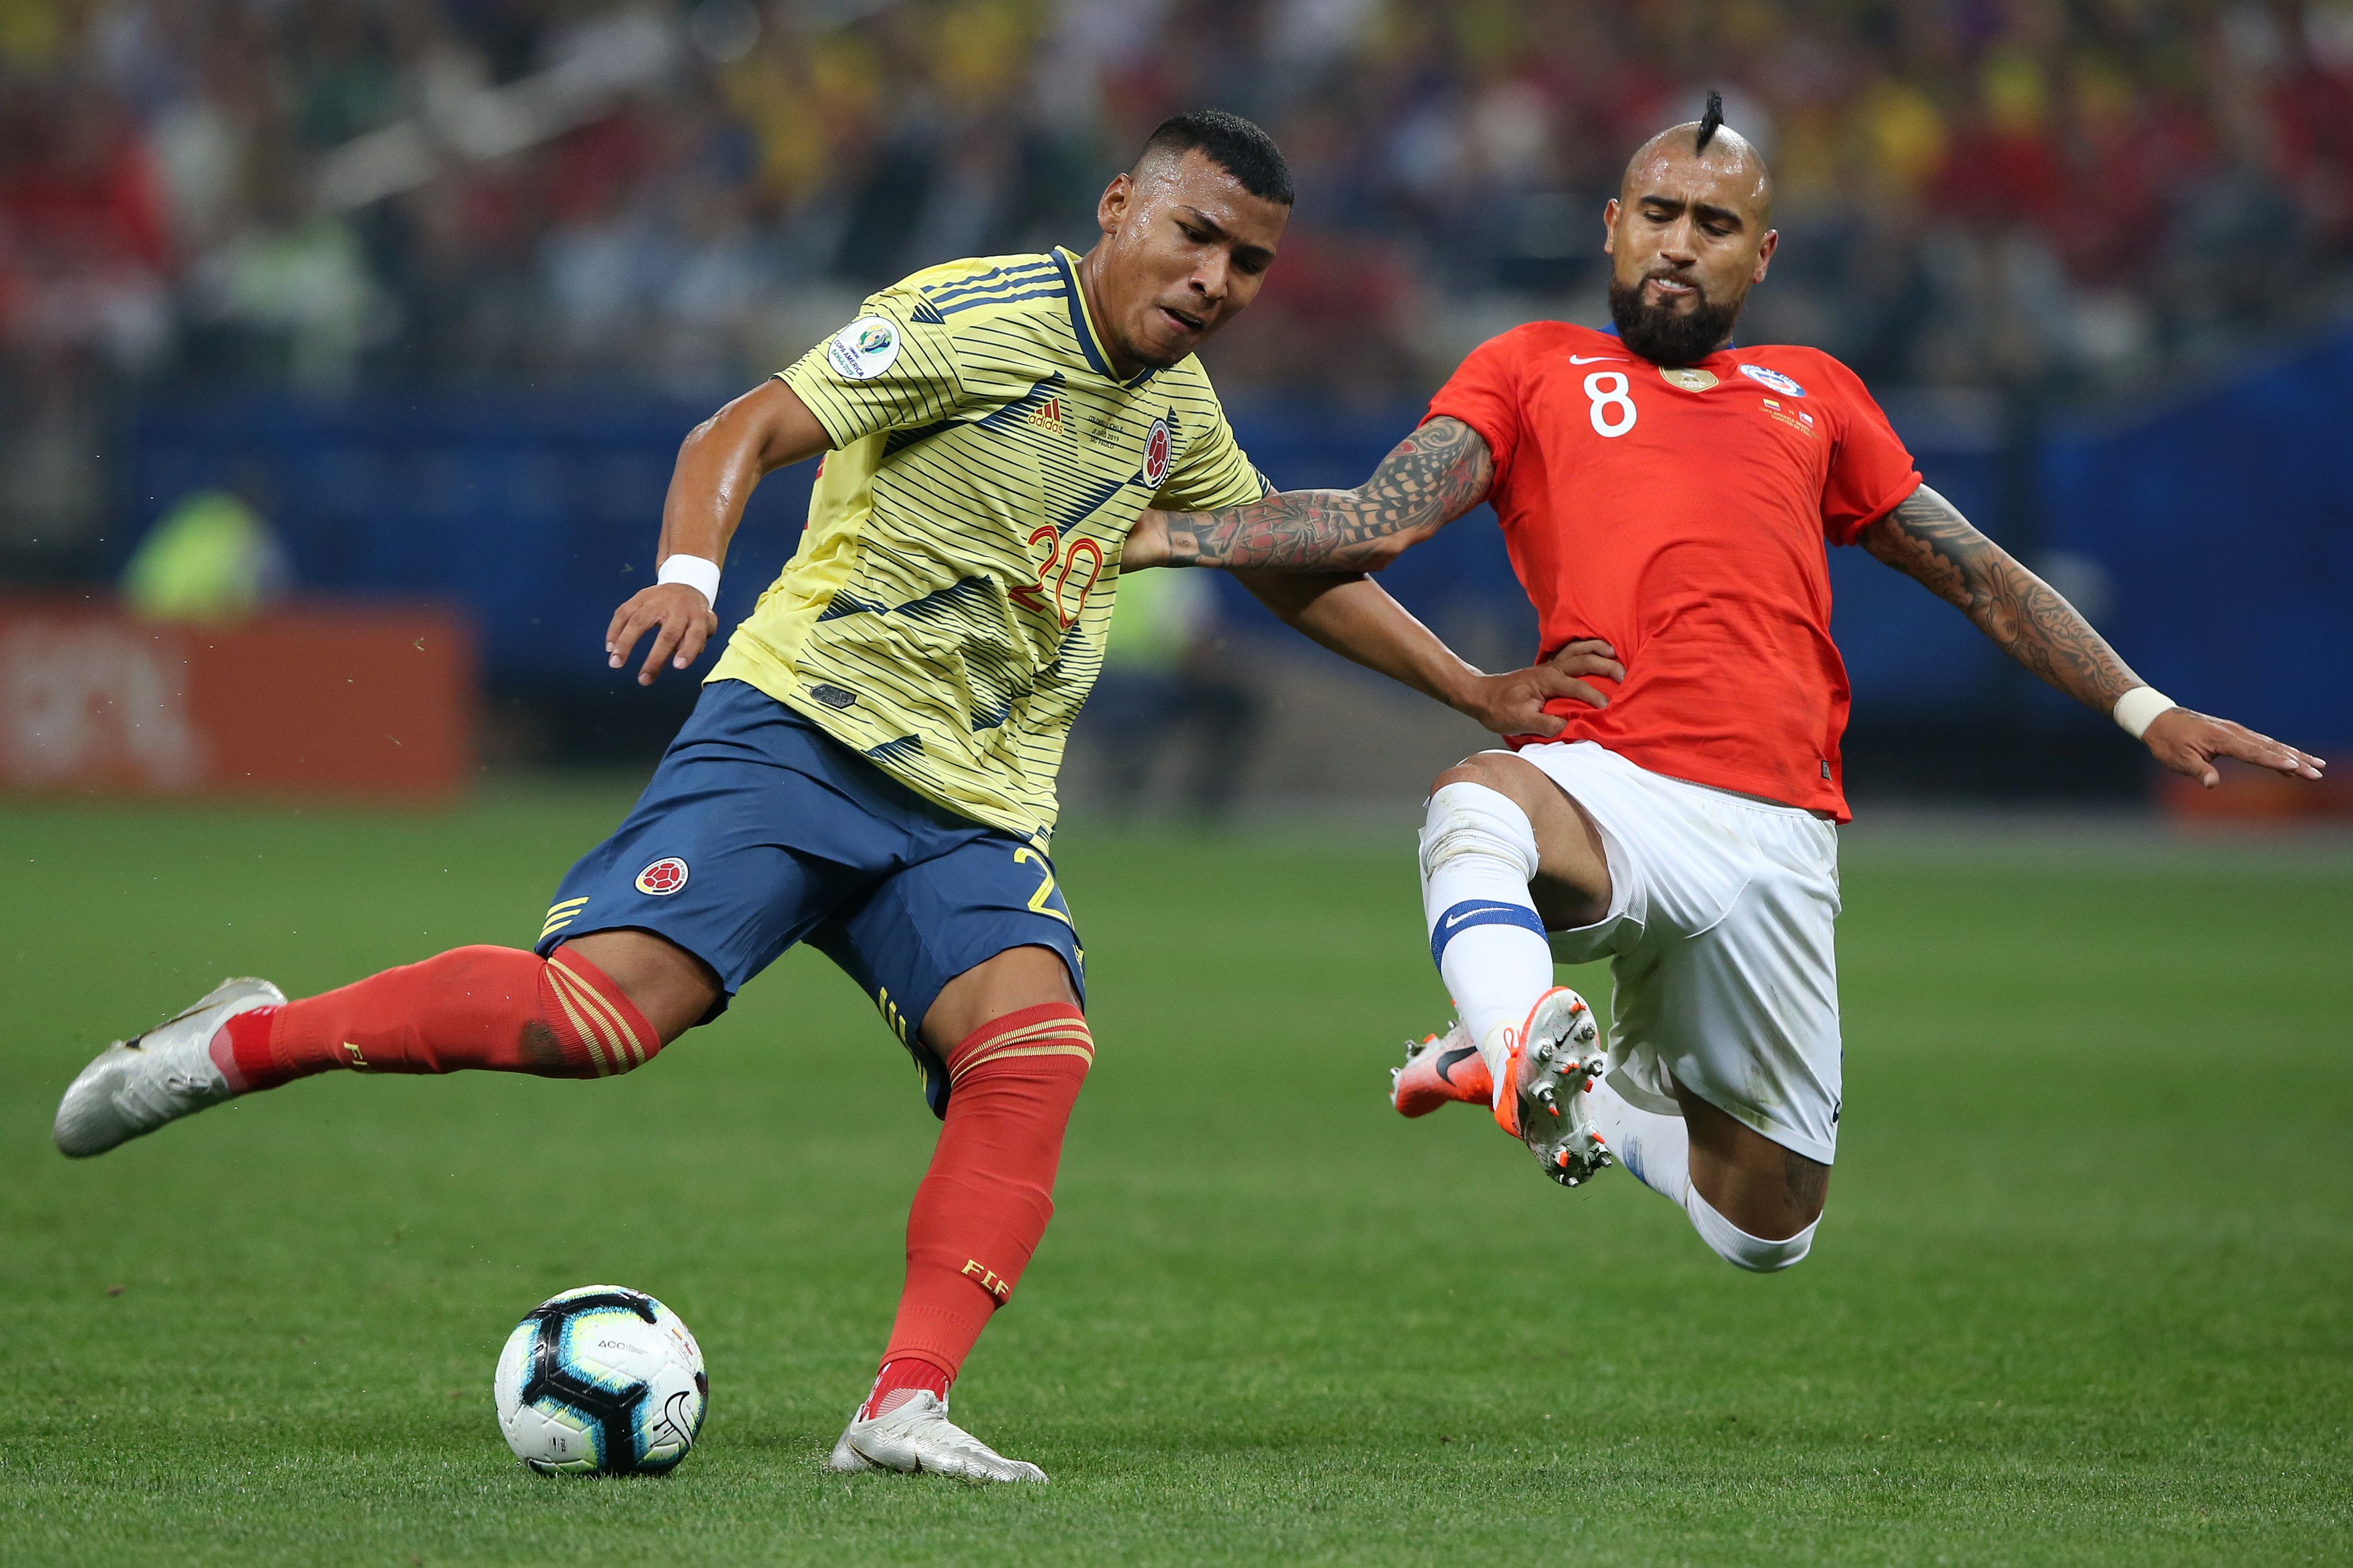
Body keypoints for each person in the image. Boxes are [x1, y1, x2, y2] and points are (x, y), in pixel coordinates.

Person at [51, 111, 1603, 1482]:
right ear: (1120, 207)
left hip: (973, 806)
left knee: (1033, 1050)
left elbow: (1287, 565)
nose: (1214, 280)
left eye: (1249, 263)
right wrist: (685, 572)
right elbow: (745, 428)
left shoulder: (1172, 412)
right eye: (1196, 235)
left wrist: (1470, 693)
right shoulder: (972, 316)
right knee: (589, 1026)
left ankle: (901, 1411)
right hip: (798, 735)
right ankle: (238, 1043)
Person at [1124, 96, 2327, 1275]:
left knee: (1764, 1230)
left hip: (1781, 829)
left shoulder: (1816, 393)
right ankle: (1512, 1032)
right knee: (1479, 803)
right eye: (1659, 212)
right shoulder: (1533, 369)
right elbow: (1374, 519)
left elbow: (1978, 572)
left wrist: (2144, 705)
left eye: (1713, 224)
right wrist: (1172, 535)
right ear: (1611, 224)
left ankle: (1559, 1085)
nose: (1680, 242)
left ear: (1761, 256)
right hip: (1615, 787)